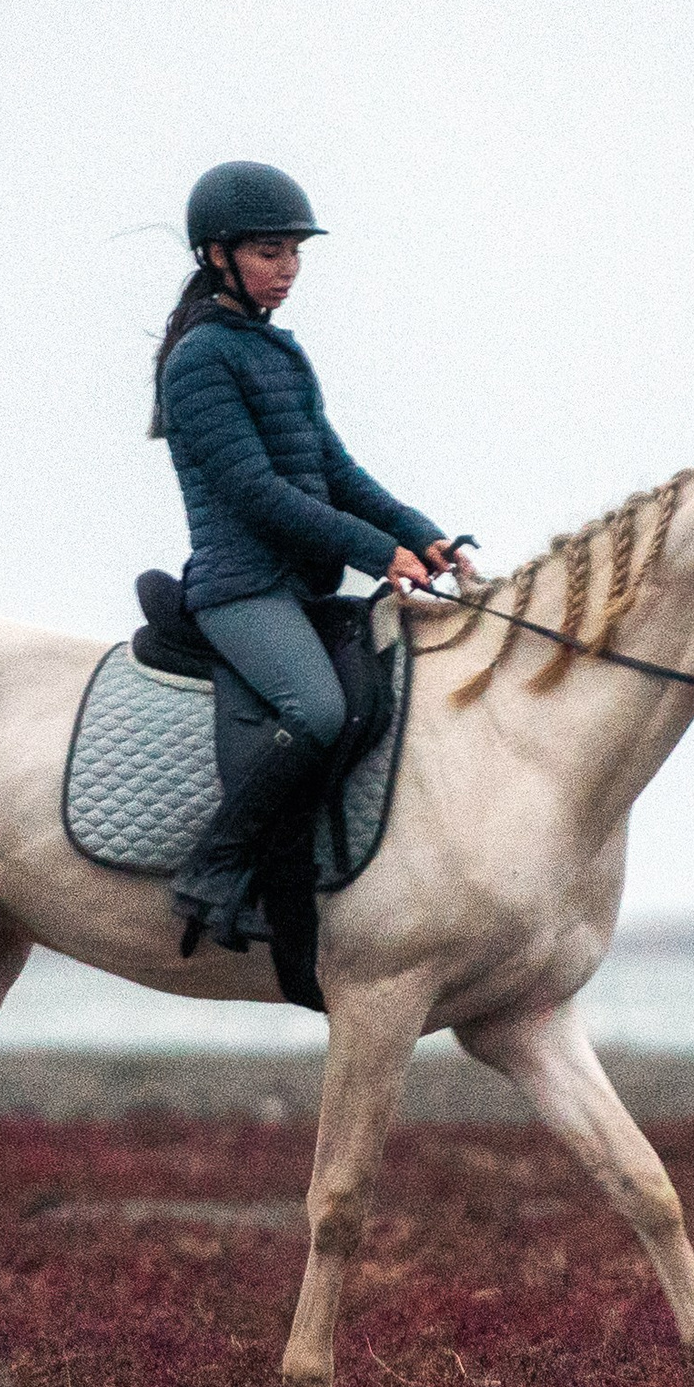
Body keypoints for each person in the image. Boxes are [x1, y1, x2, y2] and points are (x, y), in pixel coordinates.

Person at [150, 161, 473, 953]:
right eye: (269, 251)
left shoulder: (279, 354)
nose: (287, 268)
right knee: (319, 710)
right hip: (241, 590)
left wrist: (419, 531)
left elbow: (334, 473)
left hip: (297, 586)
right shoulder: (200, 361)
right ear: (217, 254)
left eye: (295, 252)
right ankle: (217, 869)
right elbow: (259, 492)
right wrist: (377, 553)